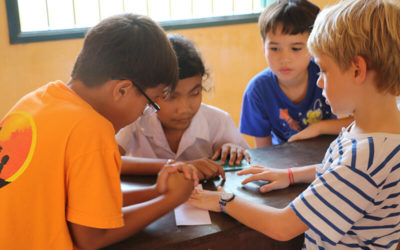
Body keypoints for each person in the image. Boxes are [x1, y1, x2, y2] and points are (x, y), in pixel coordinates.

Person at [188, 0, 400, 249]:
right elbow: (338, 169)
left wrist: (222, 200)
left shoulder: (365, 158)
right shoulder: (376, 131)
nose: (319, 82)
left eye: (323, 71)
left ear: (357, 70)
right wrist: (290, 175)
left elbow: (282, 226)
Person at [0, 14, 198, 249]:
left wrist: (154, 192)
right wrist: (171, 199)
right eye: (150, 103)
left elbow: (86, 208)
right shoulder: (92, 129)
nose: (142, 114)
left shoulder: (36, 101)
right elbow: (93, 238)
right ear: (122, 90)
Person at [117, 34, 250, 180]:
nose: (184, 109)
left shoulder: (218, 120)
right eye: (170, 96)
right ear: (150, 92)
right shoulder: (135, 119)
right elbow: (111, 162)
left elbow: (247, 162)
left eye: (195, 93)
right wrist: (175, 166)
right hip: (154, 198)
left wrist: (233, 149)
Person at [239, 0, 353, 148]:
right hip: (284, 162)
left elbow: (360, 121)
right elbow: (263, 152)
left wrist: (318, 128)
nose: (284, 59)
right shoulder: (257, 91)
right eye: (274, 48)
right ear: (263, 46)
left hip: (331, 153)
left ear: (314, 45)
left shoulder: (326, 75)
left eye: (296, 48)